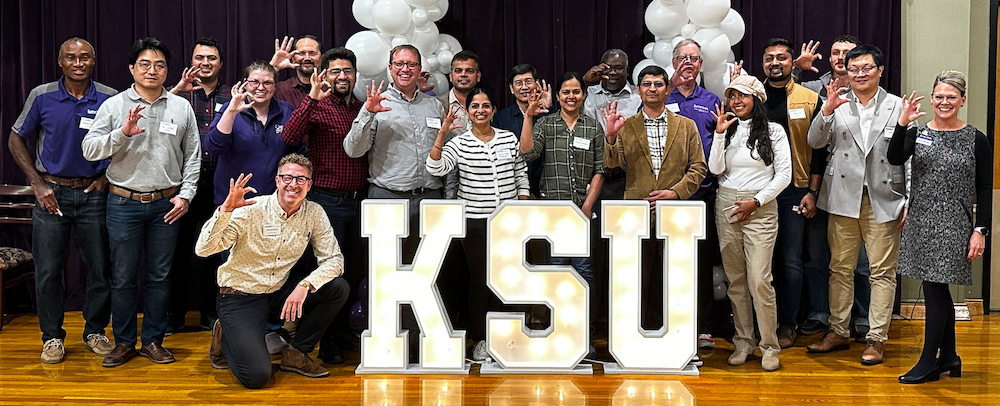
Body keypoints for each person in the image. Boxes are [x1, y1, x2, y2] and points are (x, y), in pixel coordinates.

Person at [81, 37, 201, 367]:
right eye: (145, 64)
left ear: (167, 71)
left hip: (167, 204)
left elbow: (193, 156)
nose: (153, 70)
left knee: (160, 277)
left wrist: (186, 195)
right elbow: (89, 150)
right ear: (132, 68)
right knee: (122, 277)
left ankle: (152, 340)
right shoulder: (114, 105)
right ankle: (123, 342)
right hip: (123, 204)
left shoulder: (181, 107)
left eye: (160, 65)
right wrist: (122, 132)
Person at [195, 154, 350, 389]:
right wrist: (225, 210)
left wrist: (305, 285)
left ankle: (296, 353)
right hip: (240, 296)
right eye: (288, 177)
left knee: (337, 288)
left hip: (278, 292)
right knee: (256, 377)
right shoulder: (251, 208)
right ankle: (225, 331)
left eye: (301, 179)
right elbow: (203, 250)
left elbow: (335, 260)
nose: (293, 184)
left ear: (309, 184)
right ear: (277, 180)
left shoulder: (314, 212)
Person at [7, 37, 116, 363]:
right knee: (49, 271)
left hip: (93, 195)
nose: (78, 63)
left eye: (85, 57)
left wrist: (106, 177)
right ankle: (52, 337)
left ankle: (95, 330)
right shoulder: (42, 96)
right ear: (61, 62)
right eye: (71, 58)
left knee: (99, 269)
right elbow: (16, 138)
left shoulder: (110, 98)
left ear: (93, 61)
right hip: (51, 196)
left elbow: (125, 141)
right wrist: (37, 184)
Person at [804, 45, 908, 366]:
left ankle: (877, 338)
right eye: (854, 69)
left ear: (879, 70)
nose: (860, 74)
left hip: (884, 198)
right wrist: (827, 111)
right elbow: (814, 143)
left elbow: (909, 159)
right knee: (840, 269)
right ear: (846, 72)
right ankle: (838, 331)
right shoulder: (836, 102)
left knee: (881, 272)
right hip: (842, 197)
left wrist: (910, 199)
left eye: (866, 68)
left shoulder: (898, 105)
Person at [889, 71, 992, 384]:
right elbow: (895, 158)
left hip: (955, 223)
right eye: (939, 97)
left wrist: (981, 229)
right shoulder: (918, 132)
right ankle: (948, 356)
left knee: (935, 286)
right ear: (932, 99)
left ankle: (928, 361)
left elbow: (985, 186)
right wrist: (902, 122)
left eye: (951, 97)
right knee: (937, 287)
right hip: (920, 219)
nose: (944, 102)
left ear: (962, 100)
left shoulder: (976, 138)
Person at [601, 64, 707, 332]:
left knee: (675, 278)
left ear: (666, 88)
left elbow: (699, 167)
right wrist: (611, 138)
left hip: (676, 214)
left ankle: (677, 334)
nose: (652, 89)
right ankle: (635, 333)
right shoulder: (627, 126)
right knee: (637, 277)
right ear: (639, 90)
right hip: (636, 213)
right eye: (647, 84)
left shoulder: (686, 125)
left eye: (658, 84)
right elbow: (614, 167)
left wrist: (675, 192)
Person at [427, 88, 529, 361]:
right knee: (482, 281)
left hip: (507, 223)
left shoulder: (508, 138)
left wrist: (523, 202)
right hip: (475, 223)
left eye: (486, 105)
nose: (481, 110)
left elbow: (521, 173)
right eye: (475, 106)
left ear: (494, 110)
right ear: (468, 112)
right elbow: (435, 168)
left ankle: (505, 336)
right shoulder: (459, 143)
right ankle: (481, 339)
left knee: (506, 280)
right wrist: (442, 133)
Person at [281, 47, 367, 365]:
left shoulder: (361, 108)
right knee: (326, 276)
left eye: (347, 71)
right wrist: (312, 99)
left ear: (355, 75)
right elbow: (289, 136)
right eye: (335, 71)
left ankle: (343, 333)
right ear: (325, 74)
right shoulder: (318, 105)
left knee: (352, 272)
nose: (342, 76)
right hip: (326, 203)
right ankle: (325, 341)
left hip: (359, 203)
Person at [709, 75, 791, 372]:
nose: (736, 101)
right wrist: (719, 135)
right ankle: (743, 341)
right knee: (736, 280)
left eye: (742, 96)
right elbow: (715, 169)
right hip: (727, 204)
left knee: (759, 279)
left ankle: (770, 345)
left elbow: (784, 176)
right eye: (732, 96)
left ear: (756, 99)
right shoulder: (727, 130)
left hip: (760, 207)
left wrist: (755, 202)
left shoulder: (774, 131)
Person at [521, 72, 605, 358]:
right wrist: (529, 118)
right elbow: (528, 154)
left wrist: (587, 207)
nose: (571, 96)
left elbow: (600, 170)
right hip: (554, 212)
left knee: (584, 271)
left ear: (583, 95)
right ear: (557, 96)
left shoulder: (593, 128)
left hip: (582, 212)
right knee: (556, 271)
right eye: (565, 92)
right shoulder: (545, 124)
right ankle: (558, 329)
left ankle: (585, 331)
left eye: (576, 91)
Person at [793, 35, 873, 338]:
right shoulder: (813, 89)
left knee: (860, 262)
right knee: (816, 255)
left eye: (847, 53)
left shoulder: (868, 92)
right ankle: (819, 313)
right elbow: (775, 95)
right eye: (835, 52)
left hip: (856, 189)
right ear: (829, 59)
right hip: (818, 183)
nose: (841, 58)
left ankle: (861, 317)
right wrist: (799, 70)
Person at [344, 44, 445, 257]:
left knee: (428, 266)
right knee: (385, 270)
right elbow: (353, 150)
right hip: (387, 198)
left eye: (411, 64)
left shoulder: (434, 105)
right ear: (390, 68)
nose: (405, 69)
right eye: (399, 64)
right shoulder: (376, 103)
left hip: (430, 199)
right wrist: (368, 114)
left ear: (419, 69)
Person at [759, 38, 824, 349]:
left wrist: (812, 191)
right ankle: (761, 324)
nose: (776, 63)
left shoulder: (810, 98)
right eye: (770, 58)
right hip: (755, 188)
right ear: (763, 63)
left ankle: (788, 324)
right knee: (760, 261)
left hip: (794, 190)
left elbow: (821, 151)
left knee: (790, 259)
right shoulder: (750, 97)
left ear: (791, 62)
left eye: (782, 58)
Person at [166, 36, 232, 333]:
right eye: (200, 58)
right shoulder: (178, 96)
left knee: (213, 253)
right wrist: (174, 91)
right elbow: (153, 116)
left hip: (219, 186)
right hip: (182, 185)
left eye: (212, 58)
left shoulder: (233, 95)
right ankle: (174, 315)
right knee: (176, 253)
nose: (205, 63)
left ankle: (209, 313)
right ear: (191, 61)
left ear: (220, 63)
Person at [664, 39, 724, 350]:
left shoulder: (711, 99)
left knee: (700, 263)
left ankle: (701, 326)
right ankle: (666, 319)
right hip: (665, 195)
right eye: (683, 58)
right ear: (673, 62)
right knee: (666, 261)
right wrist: (668, 86)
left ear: (701, 64)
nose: (689, 63)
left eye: (694, 58)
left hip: (702, 195)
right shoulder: (661, 94)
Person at [205, 61, 299, 205]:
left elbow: (298, 152)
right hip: (233, 201)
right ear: (245, 84)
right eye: (254, 82)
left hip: (274, 201)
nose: (261, 87)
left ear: (275, 86)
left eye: (267, 82)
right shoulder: (229, 109)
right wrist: (231, 112)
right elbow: (214, 147)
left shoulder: (287, 111)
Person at [492, 63, 551, 197]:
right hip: (512, 189)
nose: (524, 87)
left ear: (537, 85)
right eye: (518, 83)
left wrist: (548, 107)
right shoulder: (500, 118)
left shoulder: (549, 115)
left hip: (545, 189)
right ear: (512, 89)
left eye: (528, 82)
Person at [271, 35, 322, 107]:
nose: (307, 58)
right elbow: (254, 95)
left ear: (322, 58)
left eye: (312, 53)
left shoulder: (331, 88)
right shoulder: (280, 90)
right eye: (301, 53)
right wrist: (273, 68)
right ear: (293, 59)